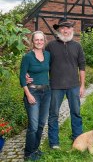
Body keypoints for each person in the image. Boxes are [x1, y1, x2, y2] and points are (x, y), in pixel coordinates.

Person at [46, 18, 86, 149]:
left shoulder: (77, 46)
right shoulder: (50, 46)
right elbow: (42, 63)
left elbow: (82, 66)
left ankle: (77, 138)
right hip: (55, 87)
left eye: (68, 28)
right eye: (63, 28)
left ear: (72, 30)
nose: (65, 30)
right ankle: (54, 142)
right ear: (58, 30)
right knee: (53, 115)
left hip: (73, 86)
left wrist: (82, 85)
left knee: (76, 113)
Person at [20, 31, 51, 161]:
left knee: (41, 123)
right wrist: (28, 94)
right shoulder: (28, 57)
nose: (39, 42)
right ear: (32, 41)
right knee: (33, 125)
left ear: (44, 41)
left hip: (47, 92)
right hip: (33, 92)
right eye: (36, 40)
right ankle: (28, 153)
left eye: (41, 40)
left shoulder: (47, 55)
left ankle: (35, 149)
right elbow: (22, 77)